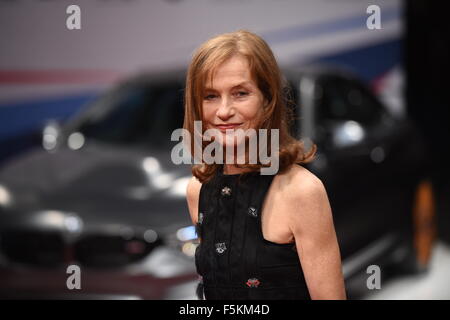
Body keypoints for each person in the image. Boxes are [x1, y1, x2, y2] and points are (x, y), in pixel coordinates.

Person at [184, 30, 346, 300]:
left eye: (240, 93)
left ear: (268, 100)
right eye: (210, 96)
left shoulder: (302, 191)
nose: (223, 111)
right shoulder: (197, 190)